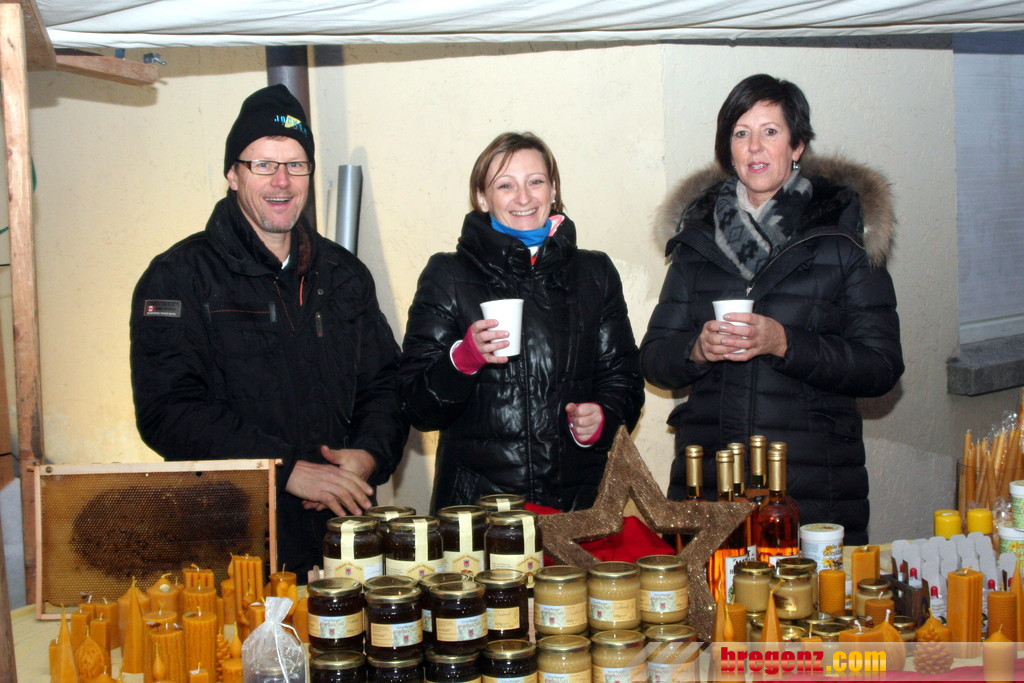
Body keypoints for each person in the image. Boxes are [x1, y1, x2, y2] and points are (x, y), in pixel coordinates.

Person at [130, 84, 406, 577]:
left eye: (296, 164)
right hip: (232, 546)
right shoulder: (178, 277)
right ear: (232, 175)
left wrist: (368, 454)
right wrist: (284, 468)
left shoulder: (344, 274)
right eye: (263, 164)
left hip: (341, 540)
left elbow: (386, 383)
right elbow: (167, 411)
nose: (282, 181)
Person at [641, 75, 903, 544]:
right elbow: (655, 360)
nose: (755, 147)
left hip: (812, 483)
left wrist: (785, 343)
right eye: (741, 133)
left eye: (771, 132)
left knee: (805, 594)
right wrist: (696, 350)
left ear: (797, 145)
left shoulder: (842, 233)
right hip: (710, 482)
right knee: (710, 594)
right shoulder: (697, 234)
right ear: (728, 149)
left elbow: (881, 366)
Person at [399, 132, 645, 511]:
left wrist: (603, 416)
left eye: (535, 182)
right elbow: (418, 408)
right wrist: (463, 360)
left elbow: (624, 379)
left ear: (553, 189)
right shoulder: (448, 275)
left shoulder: (594, 273)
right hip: (479, 512)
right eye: (505, 185)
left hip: (578, 506)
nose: (524, 197)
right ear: (482, 197)